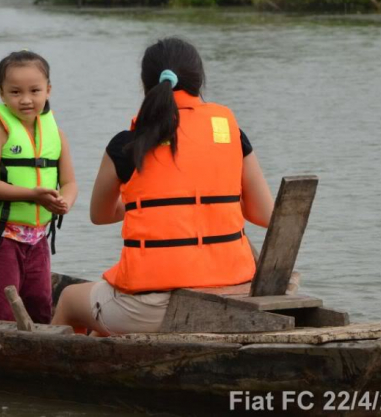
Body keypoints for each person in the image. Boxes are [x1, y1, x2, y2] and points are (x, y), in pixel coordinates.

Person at [51, 37, 273, 335]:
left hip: (149, 308)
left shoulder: (126, 144)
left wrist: (147, 204)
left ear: (146, 85)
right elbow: (265, 215)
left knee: (68, 299)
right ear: (199, 82)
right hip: (233, 294)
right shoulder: (233, 133)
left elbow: (100, 214)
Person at [0, 50, 78, 326]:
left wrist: (64, 201)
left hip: (38, 239)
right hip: (0, 237)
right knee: (1, 311)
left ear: (48, 90)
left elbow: (69, 182)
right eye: (15, 92)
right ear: (2, 93)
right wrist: (34, 196)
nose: (26, 99)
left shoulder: (57, 135)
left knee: (40, 306)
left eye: (35, 90)